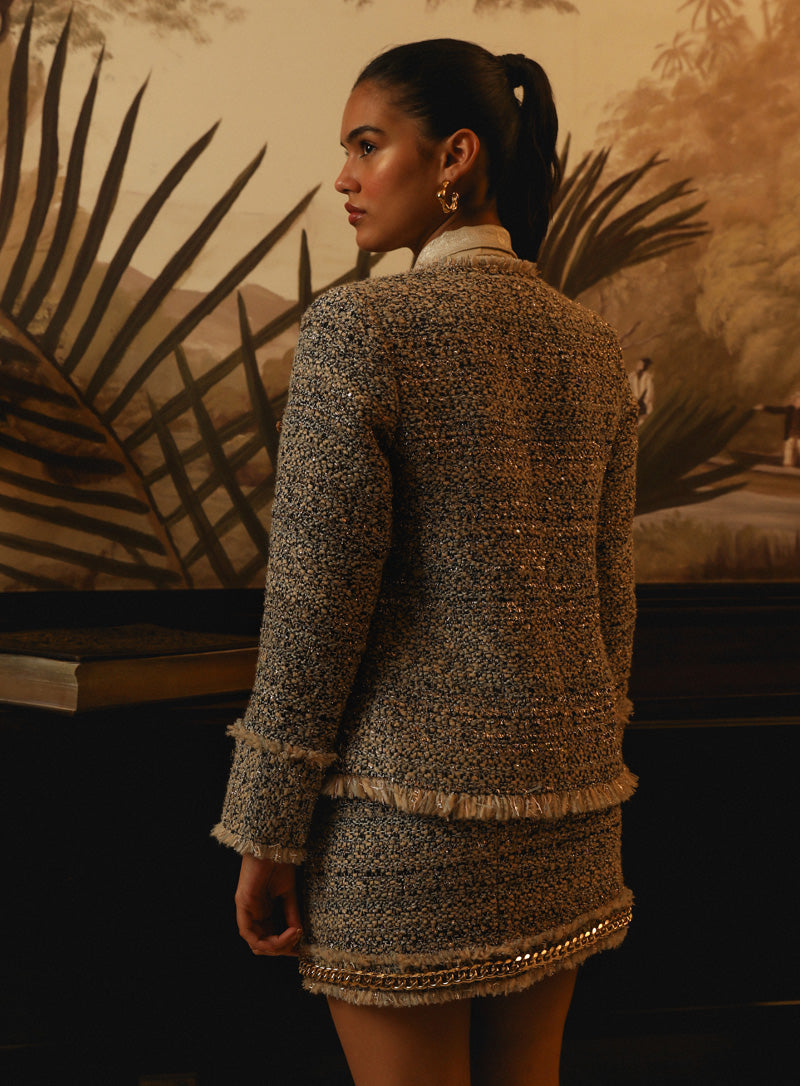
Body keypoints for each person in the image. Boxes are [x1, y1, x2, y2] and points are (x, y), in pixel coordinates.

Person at [213, 38, 638, 1086]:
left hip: (401, 825)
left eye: (367, 145)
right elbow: (608, 606)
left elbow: (314, 611)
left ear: (454, 156)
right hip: (569, 820)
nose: (344, 177)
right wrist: (579, 779)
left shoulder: (361, 329)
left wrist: (264, 832)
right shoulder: (591, 348)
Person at [755, 390, 800, 467]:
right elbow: (776, 410)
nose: (797, 402)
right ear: (794, 401)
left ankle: (791, 464)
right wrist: (764, 407)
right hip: (790, 434)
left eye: (799, 400)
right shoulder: (789, 409)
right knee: (788, 449)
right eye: (796, 400)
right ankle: (788, 464)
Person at [628, 356, 654, 424]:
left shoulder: (647, 378)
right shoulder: (631, 376)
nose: (638, 365)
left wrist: (644, 402)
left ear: (644, 366)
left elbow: (649, 392)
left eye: (640, 364)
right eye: (638, 364)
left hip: (644, 406)